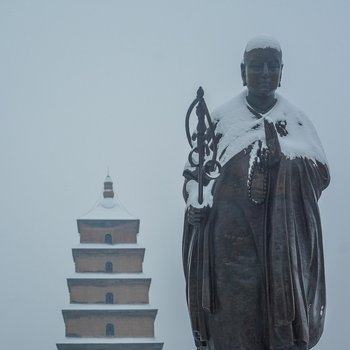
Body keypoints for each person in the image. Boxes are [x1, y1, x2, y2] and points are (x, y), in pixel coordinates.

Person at [182, 36, 330, 350]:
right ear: (242, 71)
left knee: (278, 326)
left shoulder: (295, 120)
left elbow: (319, 172)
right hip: (229, 249)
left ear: (281, 71)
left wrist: (284, 163)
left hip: (279, 247)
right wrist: (197, 201)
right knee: (232, 327)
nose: (264, 73)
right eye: (256, 66)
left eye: (272, 66)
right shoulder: (221, 121)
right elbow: (195, 174)